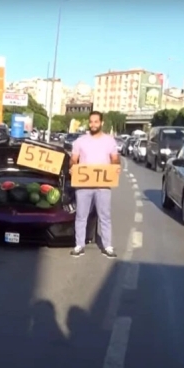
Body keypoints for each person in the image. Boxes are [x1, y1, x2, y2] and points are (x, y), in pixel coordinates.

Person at [69, 111, 119, 259]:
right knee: (81, 216)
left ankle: (107, 246)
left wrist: (116, 167)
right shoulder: (80, 141)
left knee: (105, 216)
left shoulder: (109, 141)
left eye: (96, 122)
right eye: (91, 122)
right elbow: (73, 159)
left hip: (103, 185)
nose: (93, 124)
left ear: (101, 123)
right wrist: (72, 166)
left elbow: (115, 159)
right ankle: (79, 246)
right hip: (83, 185)